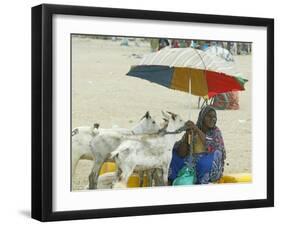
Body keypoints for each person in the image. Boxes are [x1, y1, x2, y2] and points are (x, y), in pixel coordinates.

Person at [168, 106, 226, 185]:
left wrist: (197, 130)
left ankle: (202, 182)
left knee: (203, 162)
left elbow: (210, 145)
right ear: (202, 117)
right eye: (209, 116)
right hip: (193, 158)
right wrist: (187, 136)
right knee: (175, 156)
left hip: (211, 160)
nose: (212, 119)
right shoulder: (193, 130)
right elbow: (182, 153)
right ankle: (172, 181)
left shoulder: (216, 132)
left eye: (214, 117)